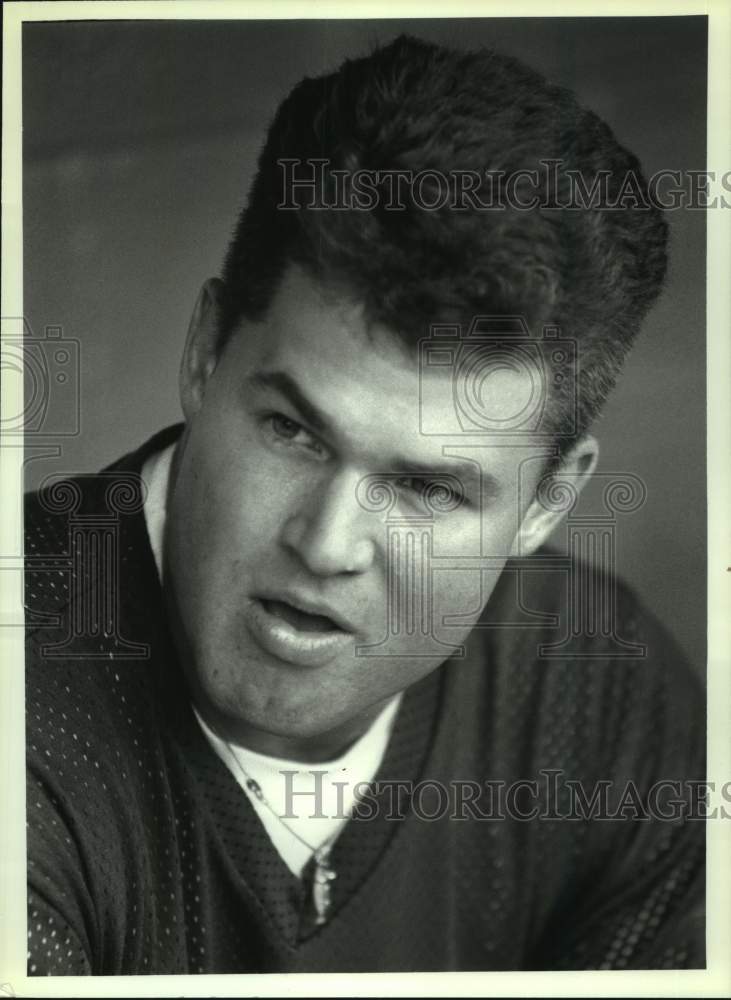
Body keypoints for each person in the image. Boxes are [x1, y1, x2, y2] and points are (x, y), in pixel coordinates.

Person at [25, 34, 704, 975]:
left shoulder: (593, 699)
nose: (326, 543)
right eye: (292, 432)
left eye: (424, 487)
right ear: (204, 352)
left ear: (548, 500)